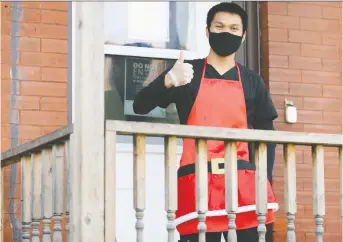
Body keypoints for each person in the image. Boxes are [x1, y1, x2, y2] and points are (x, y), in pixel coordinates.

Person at [133, 2, 278, 242]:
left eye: (233, 28)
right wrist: (169, 80)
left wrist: (264, 179)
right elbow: (140, 105)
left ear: (243, 37)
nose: (226, 33)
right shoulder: (186, 74)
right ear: (207, 31)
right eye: (219, 26)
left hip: (243, 183)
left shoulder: (253, 81)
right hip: (197, 180)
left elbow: (268, 136)